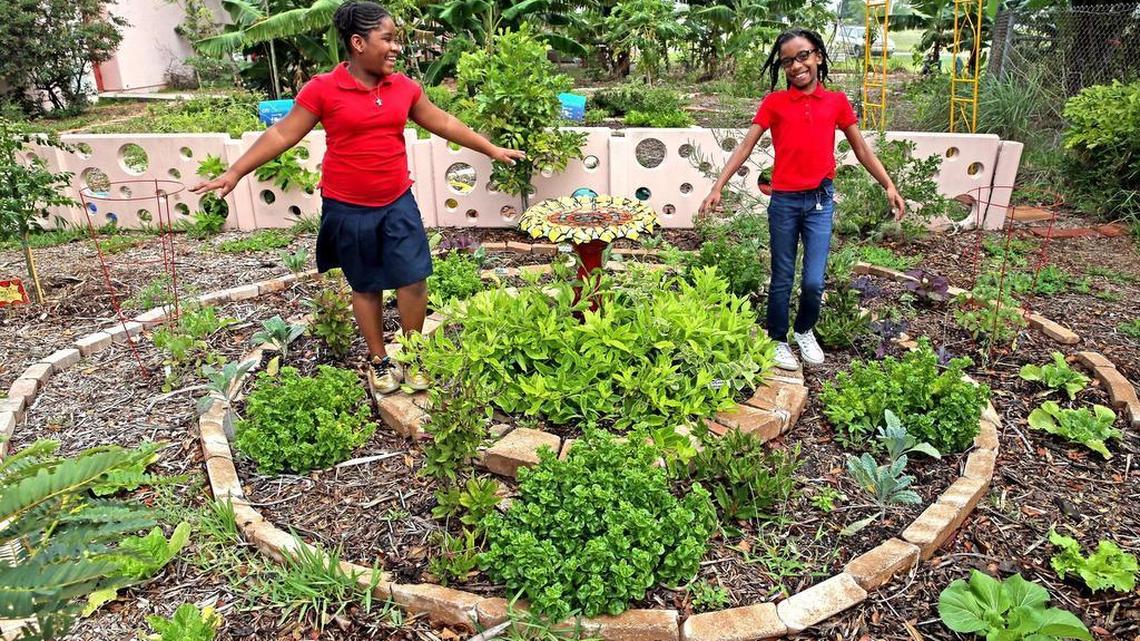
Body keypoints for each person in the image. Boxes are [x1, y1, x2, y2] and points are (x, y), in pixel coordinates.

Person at [192, 1, 525, 394]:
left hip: (397, 201)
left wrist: (490, 149)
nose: (396, 47)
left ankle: (414, 354)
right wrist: (235, 171)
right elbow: (282, 134)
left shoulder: (403, 87)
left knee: (413, 280)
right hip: (348, 207)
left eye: (396, 39)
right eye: (387, 39)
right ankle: (379, 360)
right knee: (366, 285)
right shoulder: (324, 89)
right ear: (358, 43)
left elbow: (444, 121)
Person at [699, 28, 906, 371]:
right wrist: (717, 185)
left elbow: (862, 149)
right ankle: (777, 339)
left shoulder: (836, 102)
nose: (795, 66)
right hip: (784, 202)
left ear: (818, 57)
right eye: (786, 61)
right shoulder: (774, 103)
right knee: (782, 276)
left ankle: (804, 330)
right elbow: (746, 146)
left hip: (820, 202)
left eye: (802, 56)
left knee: (813, 280)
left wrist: (888, 184)